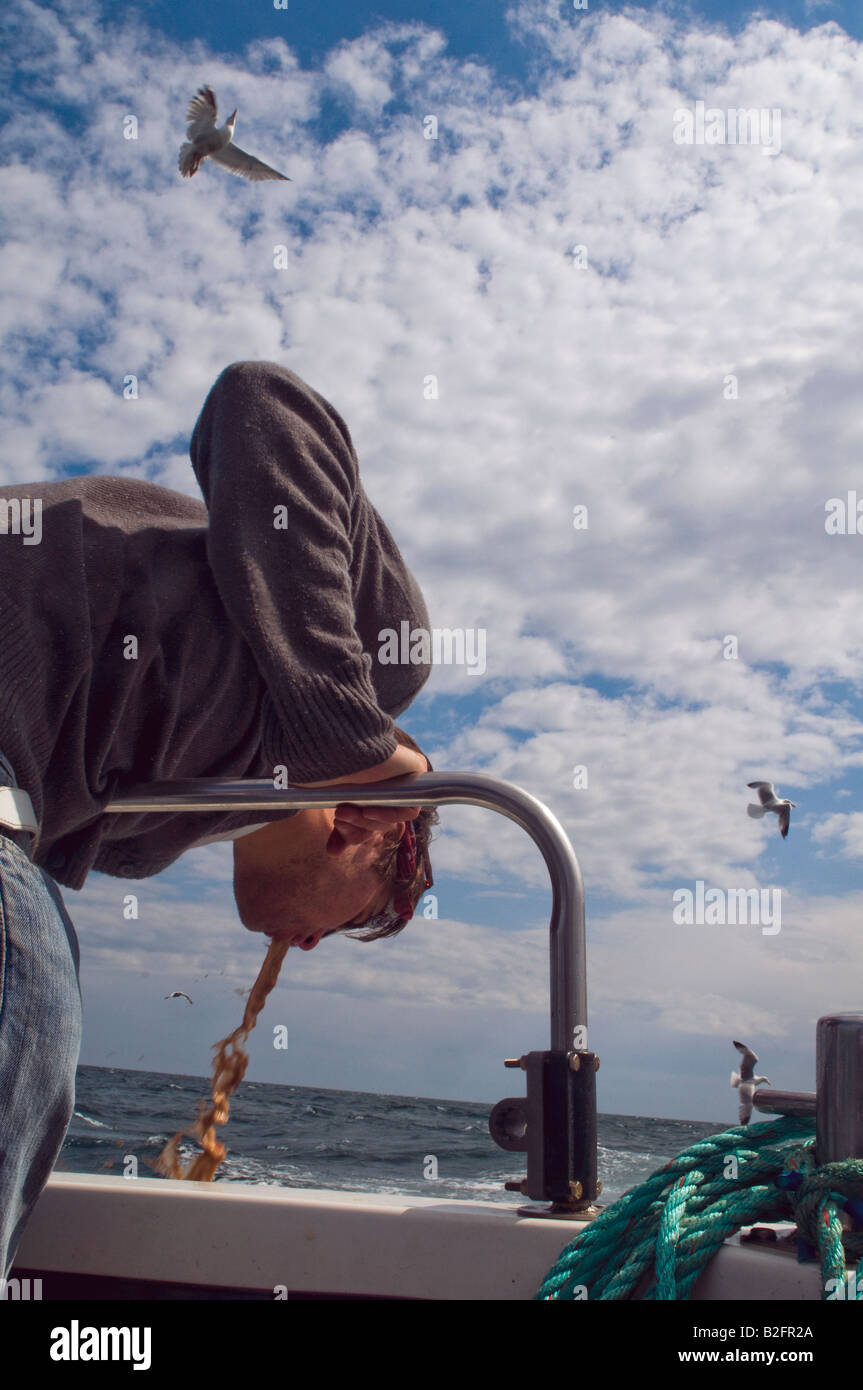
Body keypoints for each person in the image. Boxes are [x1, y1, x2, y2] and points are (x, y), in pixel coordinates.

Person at [0, 360, 438, 1278]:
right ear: (378, 833)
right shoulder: (382, 664)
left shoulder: (145, 835)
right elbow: (261, 400)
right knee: (31, 994)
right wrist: (347, 729)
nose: (308, 946)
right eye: (353, 921)